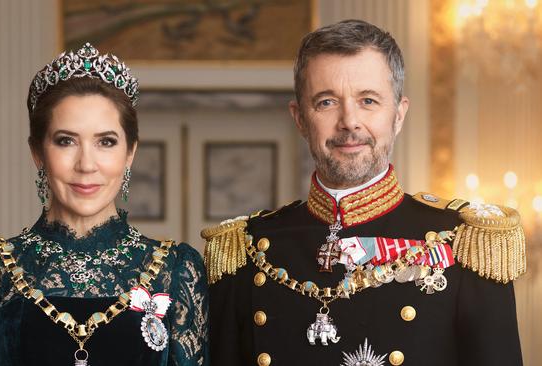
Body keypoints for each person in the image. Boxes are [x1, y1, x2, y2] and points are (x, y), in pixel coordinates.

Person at [203, 20, 524, 366]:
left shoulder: (466, 242)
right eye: (326, 102)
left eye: (368, 100)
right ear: (299, 118)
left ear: (398, 115)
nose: (350, 122)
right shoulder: (246, 248)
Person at [0, 43, 208, 366]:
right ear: (38, 152)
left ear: (130, 154)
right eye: (66, 141)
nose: (86, 164)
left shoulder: (176, 270)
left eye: (106, 142)